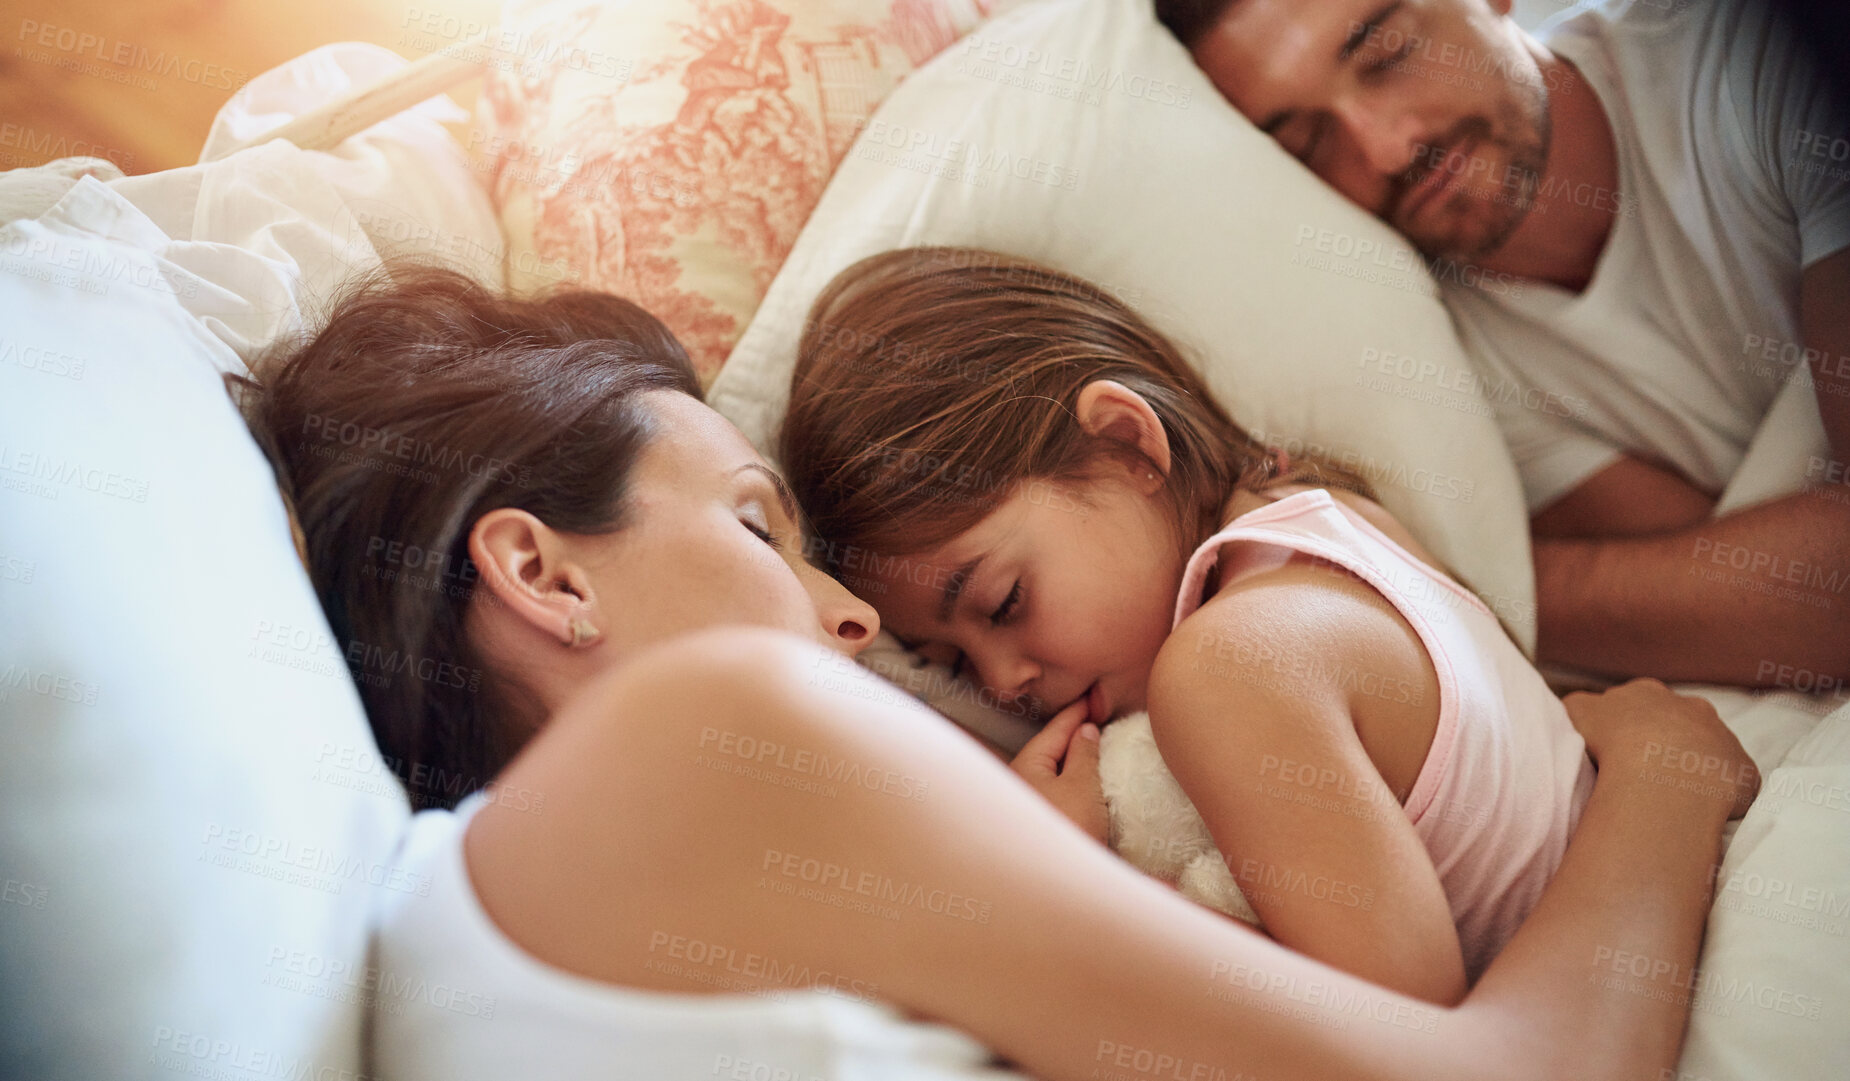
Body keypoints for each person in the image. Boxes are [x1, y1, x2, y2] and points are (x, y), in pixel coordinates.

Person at [238, 265, 1755, 1081]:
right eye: (758, 526)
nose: (852, 624)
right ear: (544, 572)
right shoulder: (703, 736)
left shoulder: (531, 890)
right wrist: (1670, 784)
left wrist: (1043, 879)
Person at [781, 245, 1609, 1001]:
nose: (1002, 682)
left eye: (1004, 603)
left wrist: (1062, 876)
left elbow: (1396, 1024)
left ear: (1128, 445)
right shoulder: (1321, 514)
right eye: (951, 664)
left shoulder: (1227, 667)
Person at [1154, 0, 1850, 688]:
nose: (1385, 147)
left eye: (1386, 54)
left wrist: (1474, 581)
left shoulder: (1756, 59)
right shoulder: (1432, 360)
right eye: (1306, 142)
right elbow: (1771, 607)